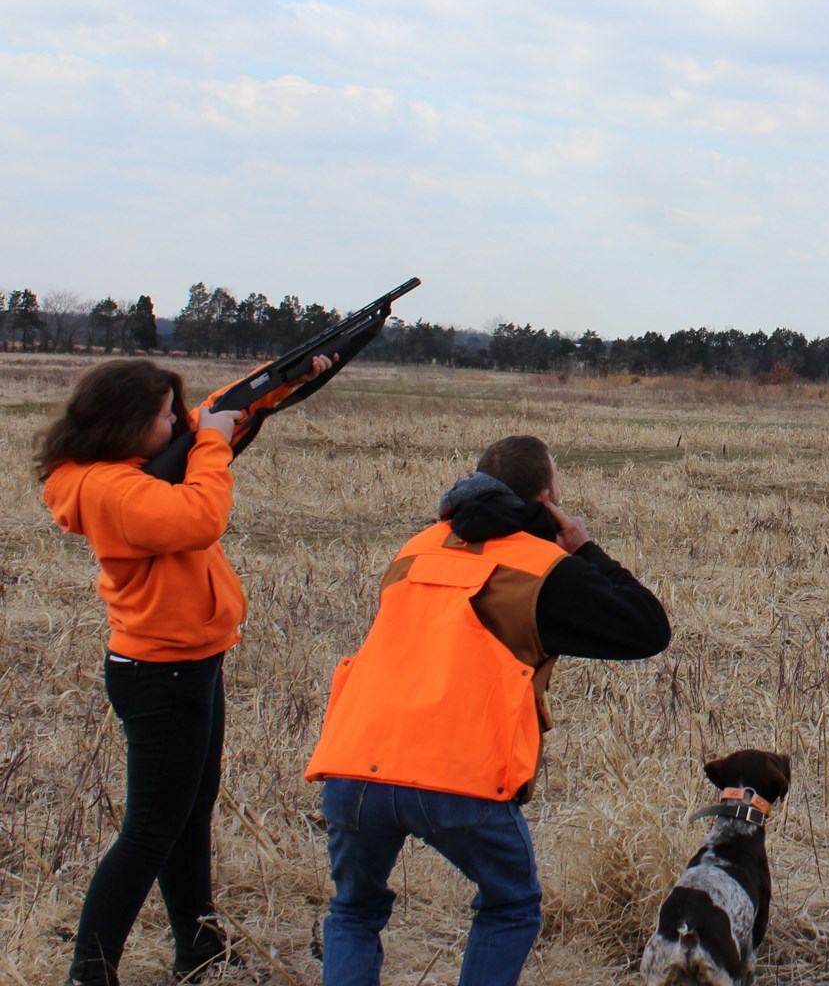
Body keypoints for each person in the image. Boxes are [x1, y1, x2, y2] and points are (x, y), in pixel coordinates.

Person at [305, 434, 671, 985]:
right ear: (547, 499)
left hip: (354, 762)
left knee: (353, 911)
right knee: (510, 903)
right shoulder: (543, 570)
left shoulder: (414, 549)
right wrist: (585, 551)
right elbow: (648, 628)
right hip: (455, 777)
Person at [36, 356, 328, 986]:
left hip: (185, 665)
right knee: (148, 831)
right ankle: (90, 971)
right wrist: (213, 447)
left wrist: (285, 378)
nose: (177, 423)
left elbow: (218, 409)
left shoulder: (125, 472)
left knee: (189, 813)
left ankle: (199, 949)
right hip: (162, 674)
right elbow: (200, 518)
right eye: (165, 415)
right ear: (129, 424)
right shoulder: (113, 489)